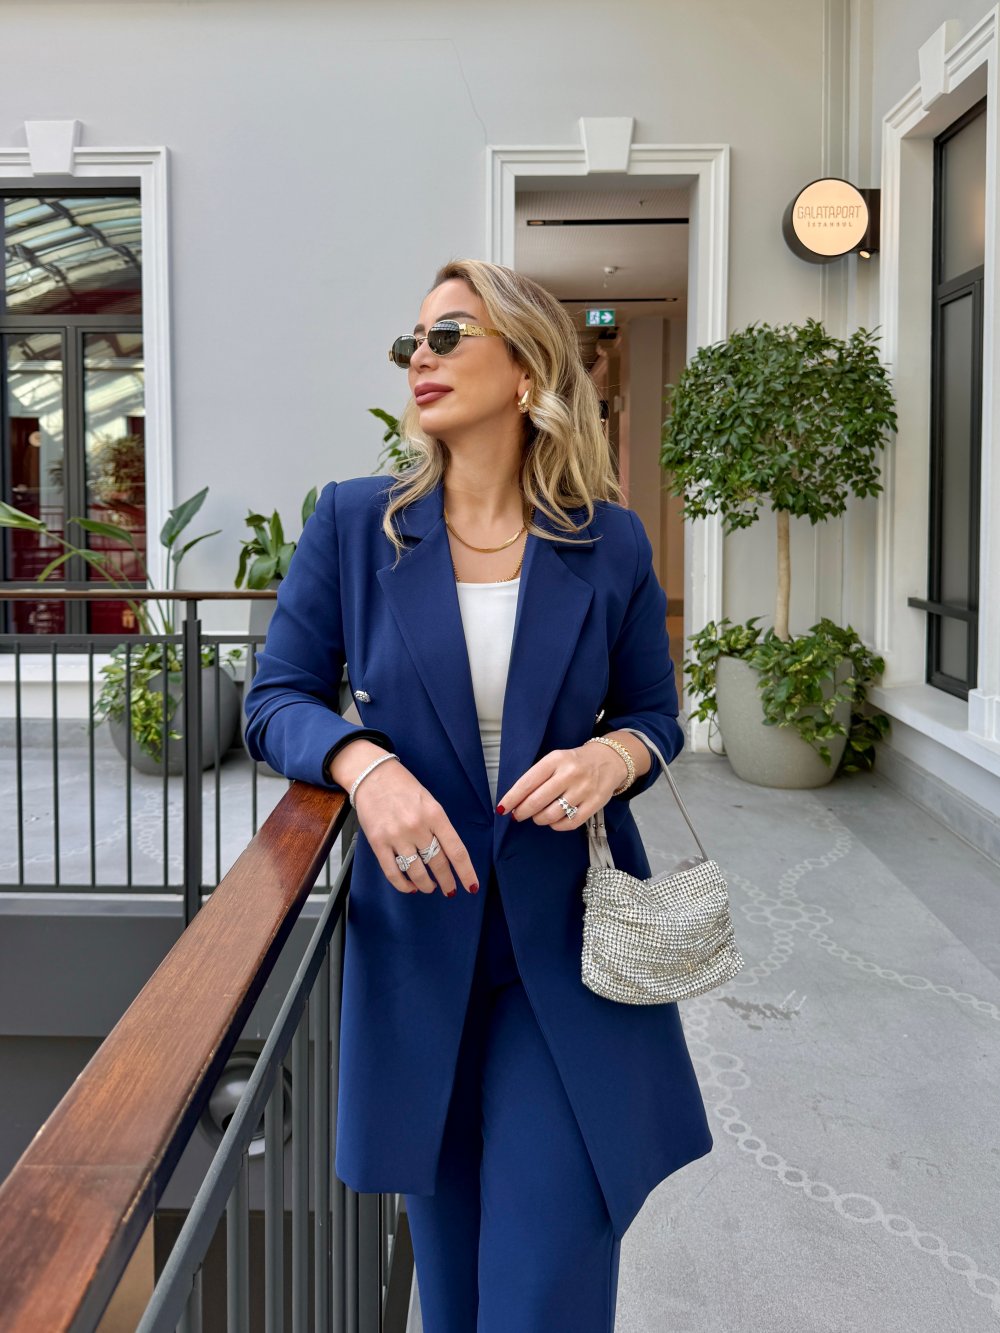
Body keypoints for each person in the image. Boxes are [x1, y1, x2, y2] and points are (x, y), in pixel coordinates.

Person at [244, 258, 713, 1332]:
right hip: (418, 944)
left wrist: (611, 759)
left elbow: (656, 712)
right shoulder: (356, 524)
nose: (421, 356)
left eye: (449, 335)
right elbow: (275, 699)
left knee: (544, 1282)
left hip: (569, 947)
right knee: (451, 1291)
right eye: (411, 340)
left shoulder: (607, 540)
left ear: (526, 369)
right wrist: (365, 766)